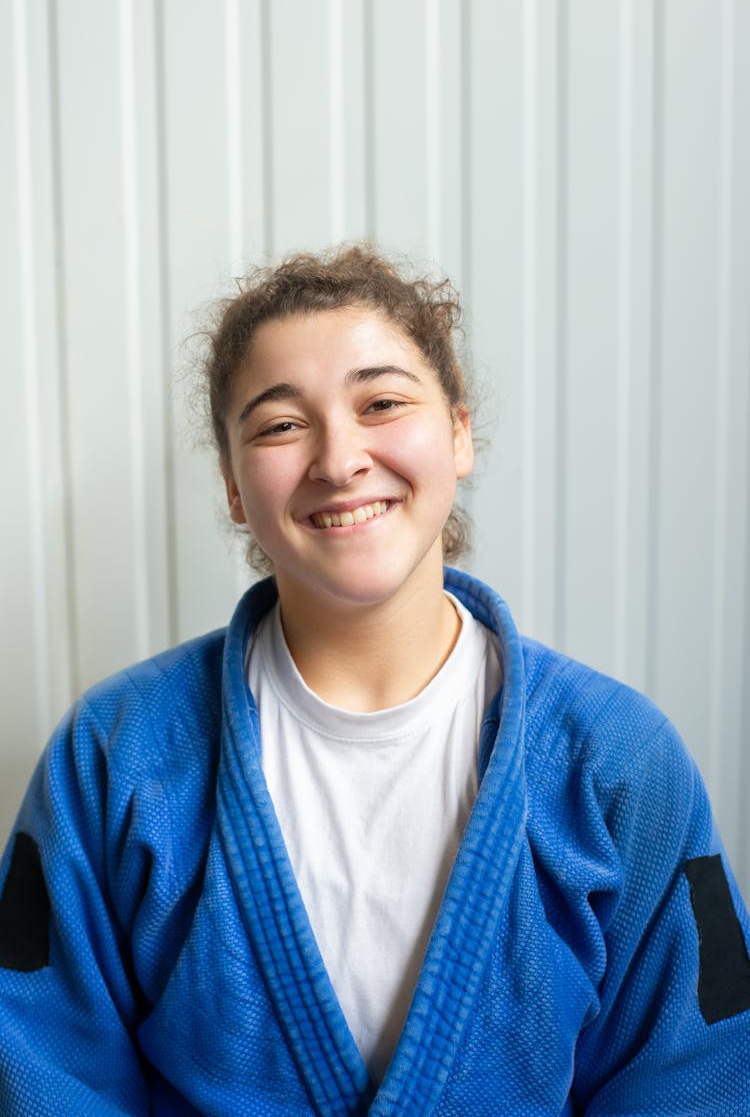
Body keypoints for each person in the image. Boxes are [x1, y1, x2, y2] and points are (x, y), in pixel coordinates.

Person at [0, 245, 748, 1116]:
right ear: (234, 488)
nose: (339, 457)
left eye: (382, 402)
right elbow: (45, 1062)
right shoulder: (115, 754)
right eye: (280, 424)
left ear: (460, 433)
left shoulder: (619, 761)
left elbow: (693, 1071)